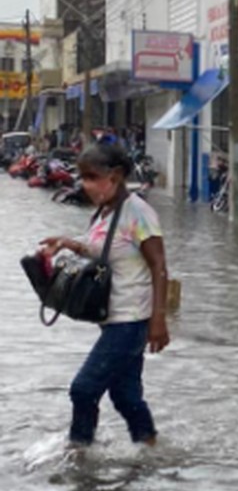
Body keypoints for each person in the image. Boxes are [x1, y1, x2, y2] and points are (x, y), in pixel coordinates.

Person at [39, 143, 169, 447]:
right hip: (113, 319)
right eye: (82, 177)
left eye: (92, 177)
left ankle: (79, 453)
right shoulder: (105, 210)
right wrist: (66, 243)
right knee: (125, 396)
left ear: (116, 175)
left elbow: (159, 265)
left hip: (131, 319)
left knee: (83, 389)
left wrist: (159, 321)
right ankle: (151, 449)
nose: (85, 184)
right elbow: (100, 249)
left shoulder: (138, 212)